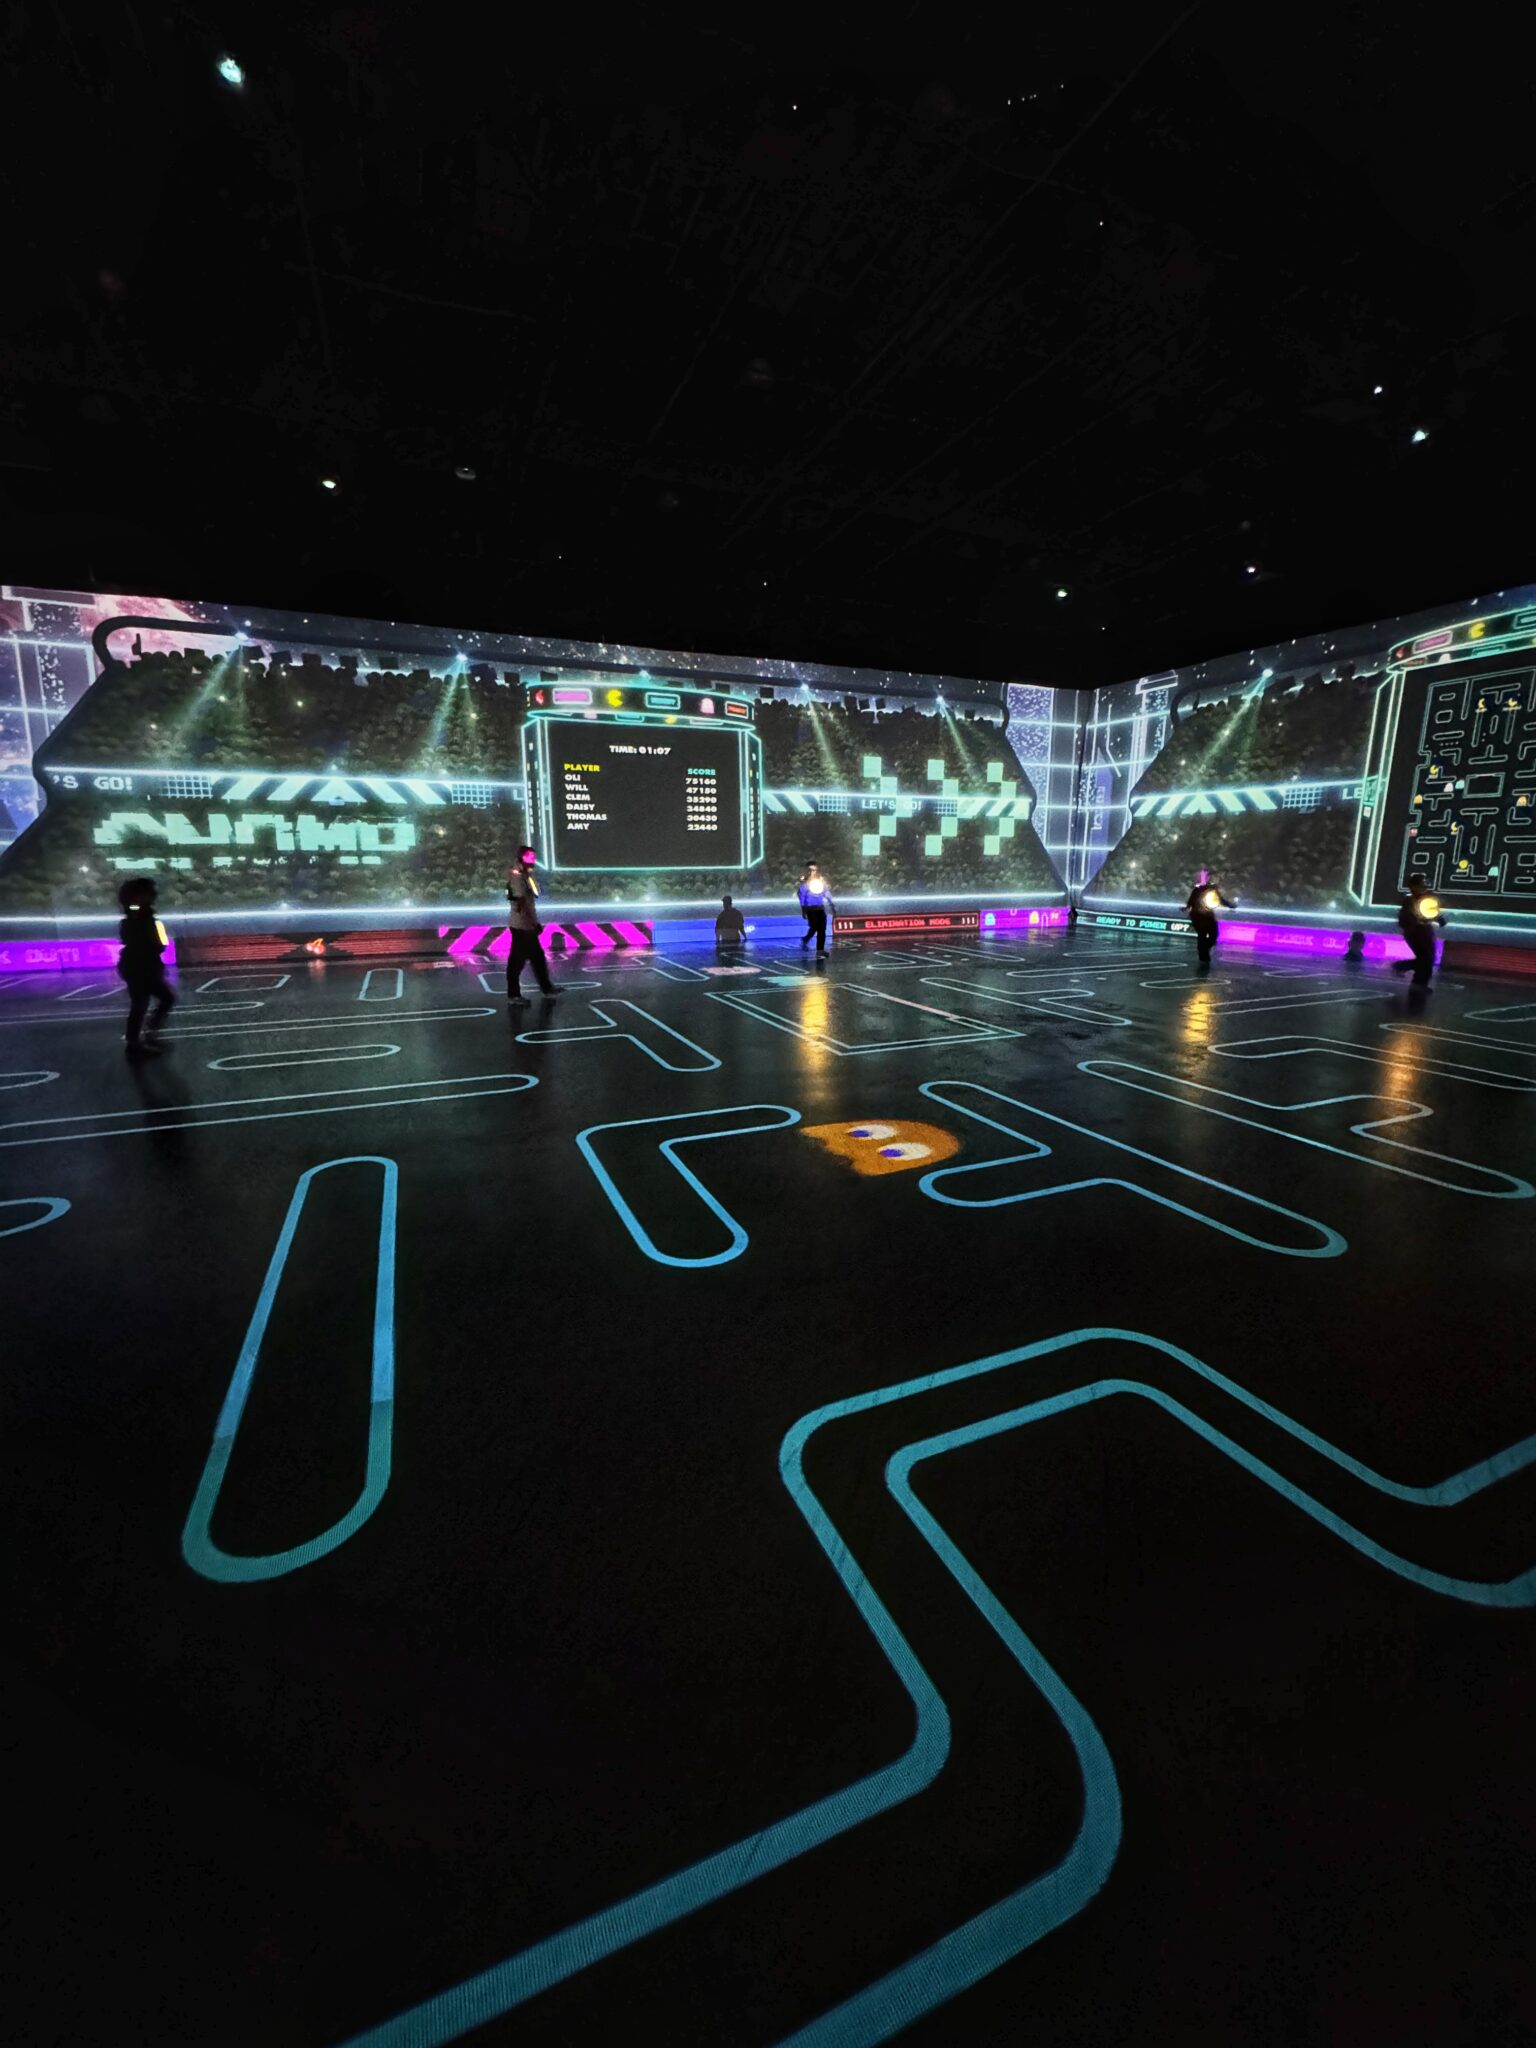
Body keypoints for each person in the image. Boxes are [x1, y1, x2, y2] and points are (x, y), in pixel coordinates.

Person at [116, 877, 177, 1056]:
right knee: (144, 1003)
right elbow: (145, 942)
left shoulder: (141, 914)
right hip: (139, 967)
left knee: (151, 1001)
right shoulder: (137, 915)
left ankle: (143, 1037)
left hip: (141, 965)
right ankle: (137, 1041)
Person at [505, 845, 559, 1005]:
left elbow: (534, 894)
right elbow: (521, 902)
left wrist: (534, 923)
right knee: (517, 961)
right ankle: (514, 995)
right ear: (522, 857)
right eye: (530, 856)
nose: (534, 858)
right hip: (521, 926)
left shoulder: (527, 874)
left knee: (537, 958)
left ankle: (546, 988)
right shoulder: (518, 876)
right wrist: (532, 923)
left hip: (527, 925)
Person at [1394, 874, 1446, 987]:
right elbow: (1408, 918)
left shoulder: (1424, 899)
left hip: (1424, 932)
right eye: (1421, 885)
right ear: (1414, 886)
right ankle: (1406, 970)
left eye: (1424, 885)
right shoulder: (1409, 901)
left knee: (1428, 960)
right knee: (1425, 960)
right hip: (1415, 934)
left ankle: (1419, 984)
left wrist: (1438, 918)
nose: (1424, 888)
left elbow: (1429, 912)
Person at [1184, 868, 1235, 966]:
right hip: (1197, 916)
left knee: (1213, 936)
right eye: (1202, 875)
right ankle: (1203, 956)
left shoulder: (1212, 888)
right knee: (1202, 935)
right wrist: (1187, 907)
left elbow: (1220, 899)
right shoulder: (1198, 888)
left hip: (1207, 915)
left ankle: (1204, 952)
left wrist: (1230, 905)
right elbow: (1192, 899)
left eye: (1206, 876)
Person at [797, 863, 834, 954]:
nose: (811, 872)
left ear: (816, 871)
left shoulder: (820, 882)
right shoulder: (804, 885)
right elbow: (802, 898)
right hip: (810, 909)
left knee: (822, 929)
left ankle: (820, 950)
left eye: (813, 870)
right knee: (815, 927)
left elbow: (826, 893)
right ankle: (806, 939)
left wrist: (832, 904)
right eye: (809, 870)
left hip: (820, 908)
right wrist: (803, 911)